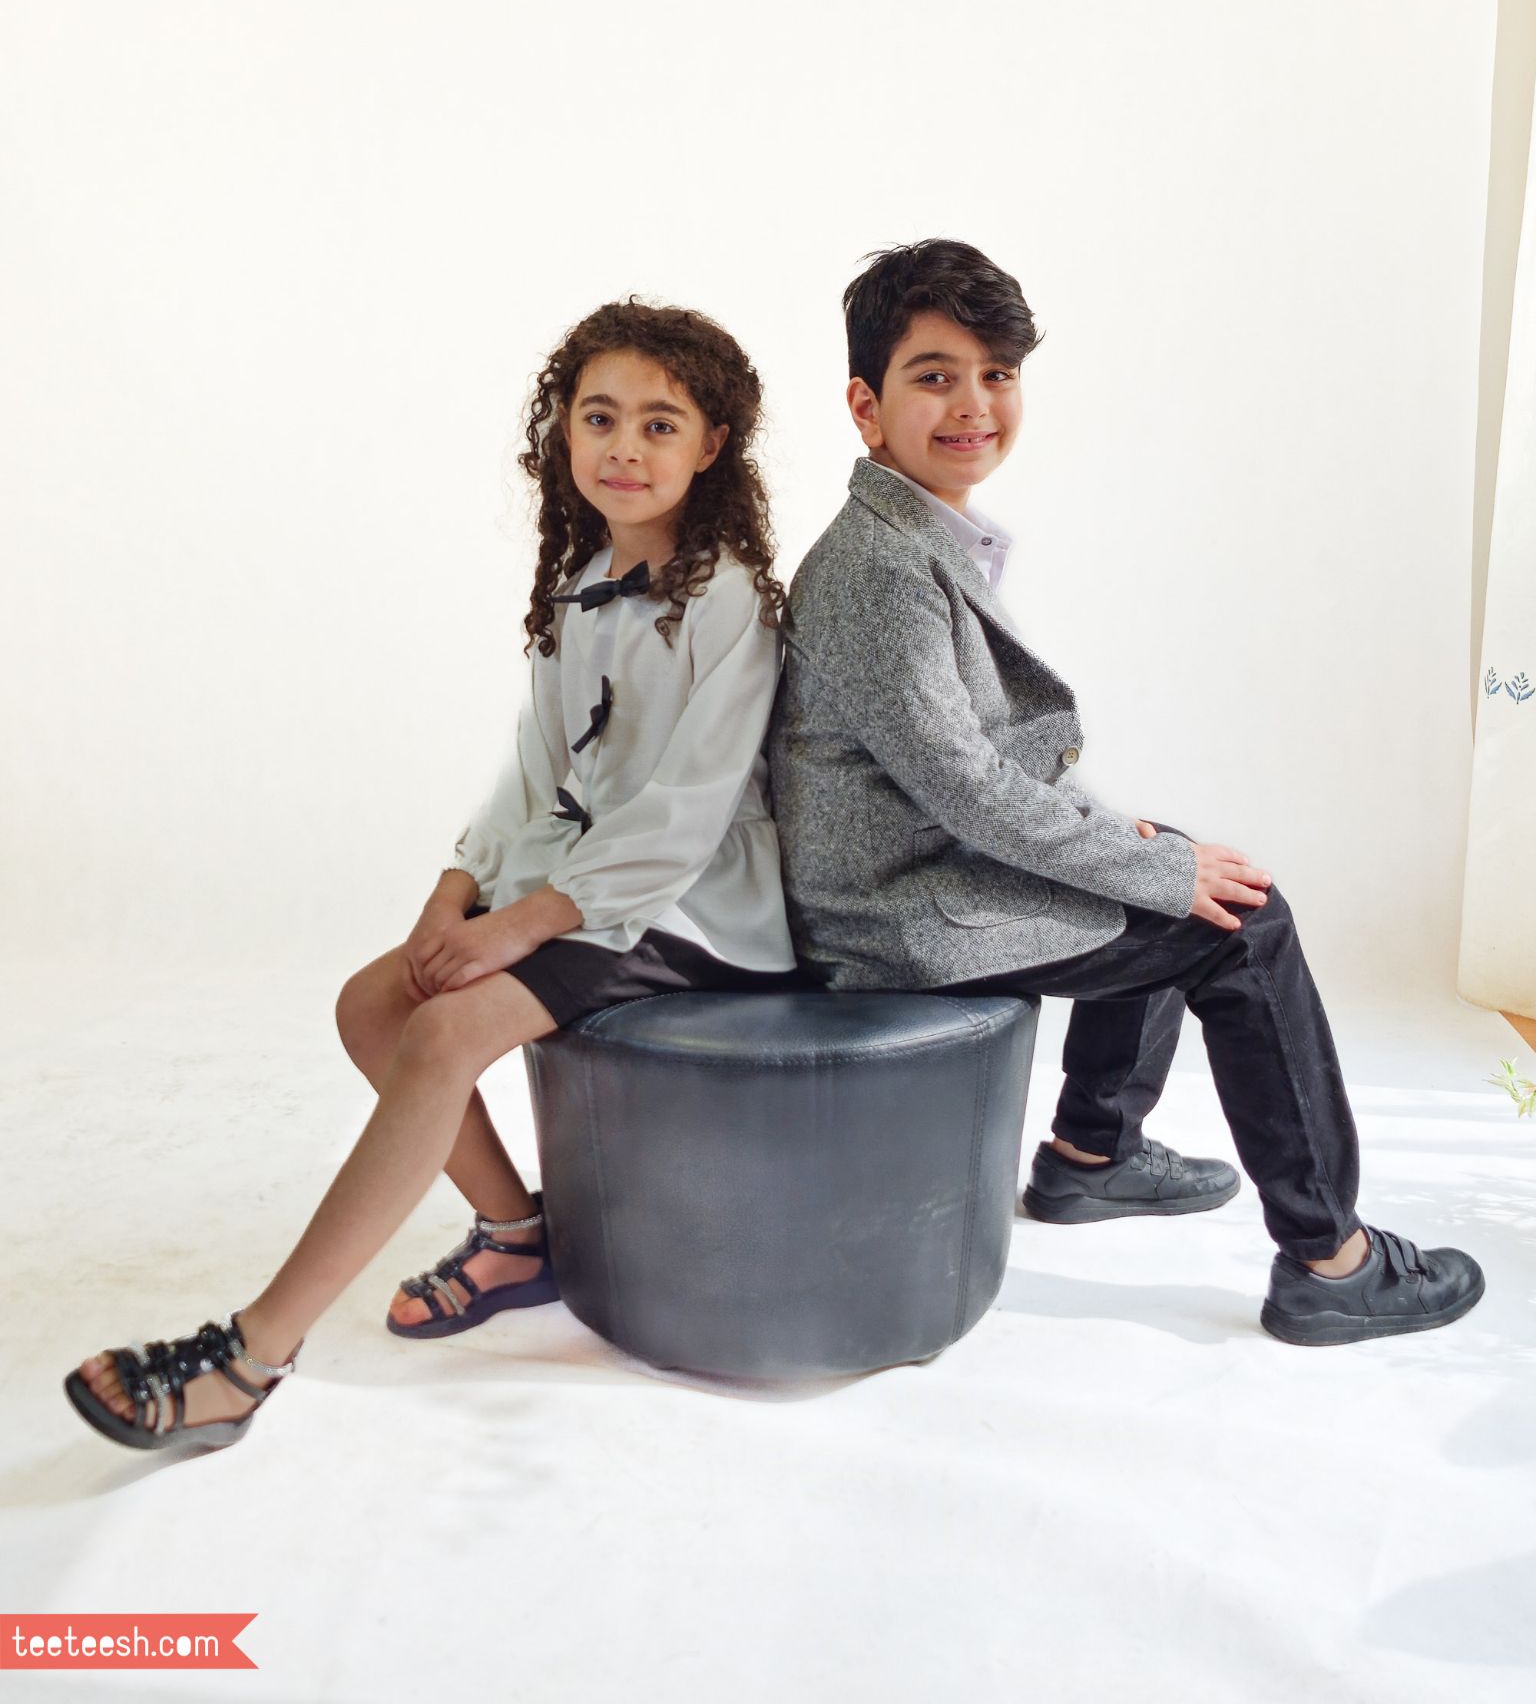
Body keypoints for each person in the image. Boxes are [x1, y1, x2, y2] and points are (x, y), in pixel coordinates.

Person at [66, 299, 798, 1451]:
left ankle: (251, 1356)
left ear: (711, 446)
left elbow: (685, 815)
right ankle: (515, 1235)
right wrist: (458, 889)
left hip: (690, 907)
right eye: (599, 417)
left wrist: (523, 924)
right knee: (375, 1002)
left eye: (660, 424)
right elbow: (532, 774)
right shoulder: (583, 581)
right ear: (563, 432)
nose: (624, 446)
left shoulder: (730, 601)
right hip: (586, 885)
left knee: (447, 1030)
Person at [767, 238, 1484, 1346]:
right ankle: (1331, 1260)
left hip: (924, 867)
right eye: (935, 376)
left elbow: (981, 766)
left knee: (1167, 857)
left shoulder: (914, 534)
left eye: (997, 374)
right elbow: (968, 789)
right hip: (893, 914)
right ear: (866, 406)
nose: (974, 404)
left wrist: (1135, 844)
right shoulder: (878, 567)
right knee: (1241, 927)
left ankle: (1091, 1155)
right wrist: (1145, 862)